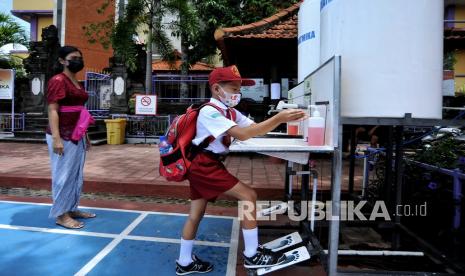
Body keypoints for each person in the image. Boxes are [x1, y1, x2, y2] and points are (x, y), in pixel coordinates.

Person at [175, 65, 307, 275]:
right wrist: (278, 119)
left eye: (239, 89)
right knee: (248, 195)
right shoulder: (209, 112)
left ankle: (184, 262)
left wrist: (279, 124)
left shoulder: (229, 111)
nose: (238, 93)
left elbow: (253, 128)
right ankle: (252, 255)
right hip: (203, 165)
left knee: (196, 214)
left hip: (206, 163)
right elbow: (243, 134)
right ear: (217, 89)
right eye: (234, 89)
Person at [45, 46, 96, 229]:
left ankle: (71, 208)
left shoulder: (75, 81)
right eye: (73, 57)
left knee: (75, 175)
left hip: (77, 133)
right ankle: (61, 214)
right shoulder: (58, 80)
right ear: (61, 61)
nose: (78, 60)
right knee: (62, 175)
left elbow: (80, 112)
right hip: (63, 134)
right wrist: (57, 138)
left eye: (80, 57)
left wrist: (85, 134)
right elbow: (53, 110)